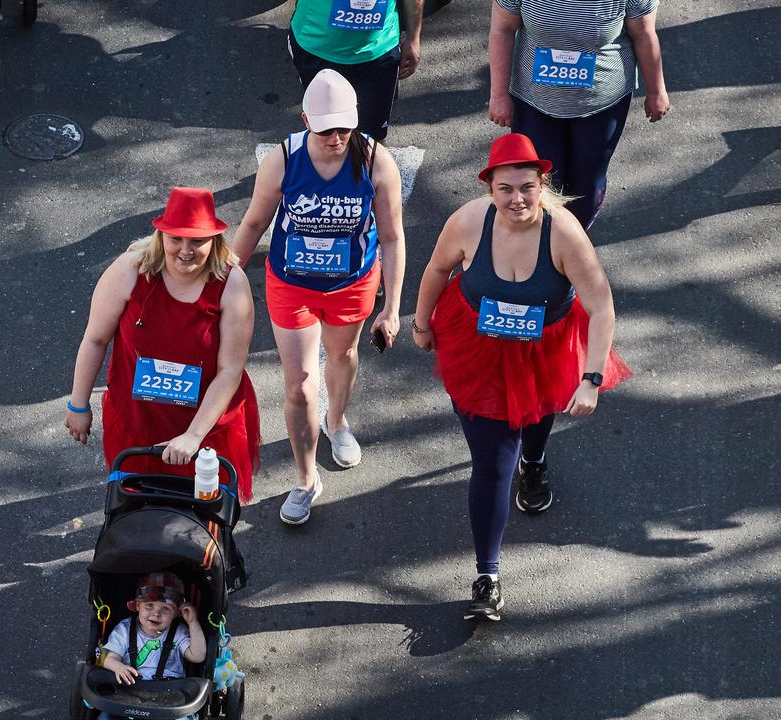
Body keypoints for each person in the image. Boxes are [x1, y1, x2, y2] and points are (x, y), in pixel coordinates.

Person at [413, 133, 630, 619]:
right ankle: (487, 576)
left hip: (545, 348)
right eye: (505, 189)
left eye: (527, 188)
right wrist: (421, 323)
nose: (517, 199)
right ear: (489, 187)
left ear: (542, 184)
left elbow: (601, 306)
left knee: (537, 411)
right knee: (492, 462)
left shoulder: (565, 232)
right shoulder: (468, 221)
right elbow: (436, 270)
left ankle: (536, 461)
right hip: (477, 348)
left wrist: (591, 377)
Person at [234, 69, 405, 526]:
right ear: (306, 118)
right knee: (298, 385)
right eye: (325, 128)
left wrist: (392, 308)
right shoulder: (282, 160)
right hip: (291, 284)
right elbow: (253, 225)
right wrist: (224, 275)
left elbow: (391, 236)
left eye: (344, 128)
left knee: (342, 354)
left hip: (352, 282)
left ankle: (337, 421)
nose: (335, 138)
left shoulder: (374, 160)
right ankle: (307, 479)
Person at [65, 187, 260, 501]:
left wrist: (193, 436)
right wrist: (78, 404)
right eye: (176, 239)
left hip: (206, 429)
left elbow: (230, 370)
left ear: (214, 241)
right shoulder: (129, 271)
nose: (186, 250)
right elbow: (95, 339)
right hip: (138, 423)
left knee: (202, 514)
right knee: (136, 504)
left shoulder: (231, 284)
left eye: (197, 241)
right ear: (161, 236)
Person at [488, 0, 669, 230]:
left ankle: (574, 242)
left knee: (586, 183)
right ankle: (541, 242)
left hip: (602, 104)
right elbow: (502, 28)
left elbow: (643, 34)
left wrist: (656, 90)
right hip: (534, 101)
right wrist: (498, 95)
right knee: (537, 179)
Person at [288, 0, 423, 140]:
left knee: (370, 139)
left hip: (378, 51)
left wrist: (414, 39)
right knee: (325, 135)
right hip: (316, 47)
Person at [98, 573, 206, 720]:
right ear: (138, 606)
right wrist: (118, 667)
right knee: (107, 715)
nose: (156, 613)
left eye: (166, 609)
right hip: (131, 690)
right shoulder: (124, 629)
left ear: (175, 614)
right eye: (149, 605)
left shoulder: (178, 632)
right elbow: (108, 659)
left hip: (171, 693)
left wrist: (193, 622)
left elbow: (198, 656)